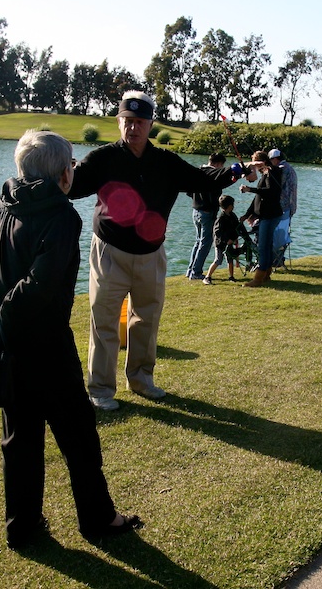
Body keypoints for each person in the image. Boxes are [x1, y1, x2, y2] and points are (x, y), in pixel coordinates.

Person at [0, 130, 140, 549]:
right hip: (45, 351)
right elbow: (36, 288)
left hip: (4, 352)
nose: (73, 171)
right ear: (61, 173)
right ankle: (99, 519)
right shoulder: (61, 217)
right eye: (70, 165)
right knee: (79, 438)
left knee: (20, 441)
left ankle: (24, 527)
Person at [68, 91, 251, 411]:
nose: (133, 128)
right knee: (104, 322)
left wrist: (237, 170)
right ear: (119, 122)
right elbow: (73, 185)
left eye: (140, 122)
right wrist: (49, 171)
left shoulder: (165, 161)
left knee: (146, 320)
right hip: (110, 251)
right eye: (128, 121)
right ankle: (100, 388)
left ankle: (140, 379)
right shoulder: (103, 158)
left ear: (150, 124)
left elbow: (201, 178)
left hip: (151, 255)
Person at [239, 150, 284, 287]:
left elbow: (270, 193)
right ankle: (266, 275)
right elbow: (258, 198)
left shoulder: (271, 172)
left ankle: (258, 279)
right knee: (266, 246)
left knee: (263, 247)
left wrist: (249, 189)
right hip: (268, 215)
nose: (254, 168)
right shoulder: (266, 173)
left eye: (255, 165)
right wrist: (247, 215)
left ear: (260, 162)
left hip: (270, 216)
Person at [185, 152, 226, 280]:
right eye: (222, 166)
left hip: (196, 210)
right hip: (207, 212)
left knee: (198, 241)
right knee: (206, 243)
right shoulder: (213, 175)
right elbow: (216, 193)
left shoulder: (198, 171)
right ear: (218, 164)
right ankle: (196, 272)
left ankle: (190, 270)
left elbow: (188, 191)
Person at [268, 148, 298, 265]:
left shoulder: (282, 169)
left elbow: (276, 186)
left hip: (282, 207)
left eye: (270, 160)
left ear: (275, 159)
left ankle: (276, 261)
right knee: (282, 233)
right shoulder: (290, 168)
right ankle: (279, 260)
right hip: (290, 206)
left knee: (278, 235)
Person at [203, 194, 239, 284]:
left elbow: (237, 227)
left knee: (230, 259)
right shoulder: (221, 218)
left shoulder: (232, 216)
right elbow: (217, 232)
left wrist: (234, 238)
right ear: (230, 206)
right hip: (220, 243)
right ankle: (207, 277)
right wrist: (226, 240)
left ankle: (231, 276)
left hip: (229, 242)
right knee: (218, 260)